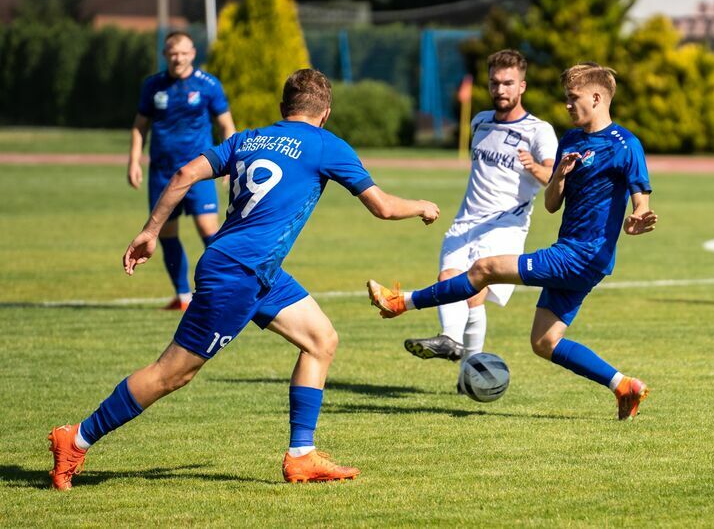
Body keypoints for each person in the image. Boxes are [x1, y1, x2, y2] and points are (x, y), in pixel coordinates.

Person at [48, 68, 441, 490]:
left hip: (253, 268)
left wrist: (149, 232)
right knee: (172, 374)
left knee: (321, 340)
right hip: (237, 275)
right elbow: (381, 206)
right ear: (325, 112)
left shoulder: (246, 139)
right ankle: (77, 437)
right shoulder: (328, 145)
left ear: (282, 109)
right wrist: (421, 205)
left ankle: (301, 456)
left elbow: (182, 175)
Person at [368, 62, 657, 420]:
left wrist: (638, 216)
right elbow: (551, 205)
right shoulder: (571, 140)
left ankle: (402, 302)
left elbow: (640, 198)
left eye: (573, 98)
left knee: (485, 268)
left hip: (581, 255)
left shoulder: (625, 144)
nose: (567, 105)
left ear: (597, 98)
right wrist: (560, 178)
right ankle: (623, 386)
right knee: (544, 343)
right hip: (574, 253)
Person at [402, 50, 558, 385]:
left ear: (522, 86)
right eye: (495, 82)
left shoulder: (539, 131)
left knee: (474, 290)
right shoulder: (479, 122)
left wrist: (537, 168)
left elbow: (555, 177)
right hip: (465, 222)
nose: (501, 89)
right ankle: (460, 360)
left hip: (506, 225)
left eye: (508, 83)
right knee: (449, 279)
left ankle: (459, 356)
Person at [128, 30, 236, 311]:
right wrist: (134, 160)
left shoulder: (208, 85)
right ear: (165, 55)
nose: (178, 58)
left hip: (199, 171)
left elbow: (226, 125)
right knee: (165, 233)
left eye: (183, 53)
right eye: (172, 53)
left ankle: (225, 287)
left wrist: (230, 163)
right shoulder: (153, 86)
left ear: (193, 54)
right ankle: (183, 297)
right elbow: (140, 126)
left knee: (208, 228)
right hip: (162, 173)